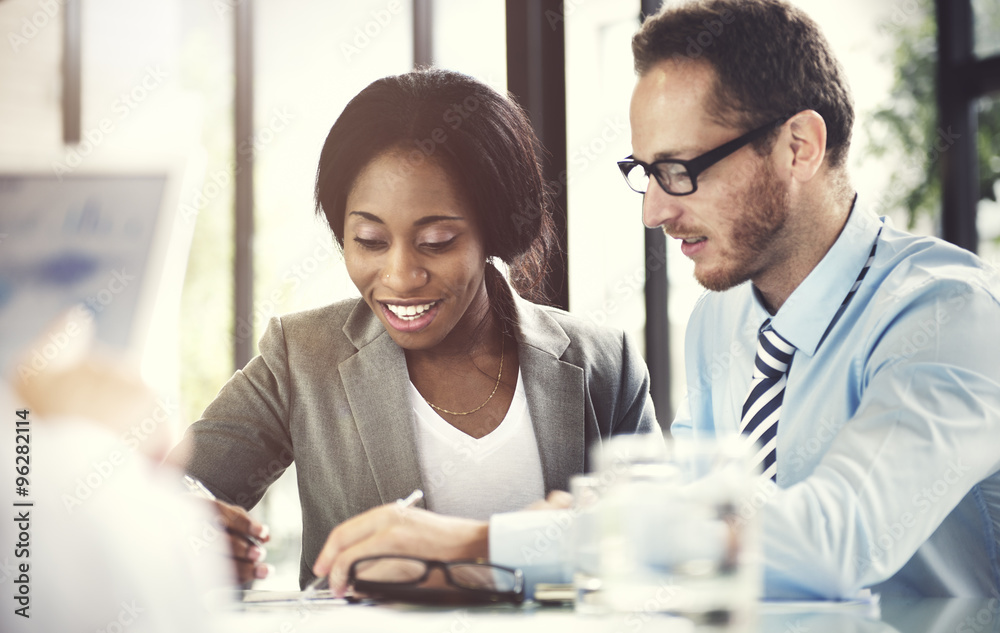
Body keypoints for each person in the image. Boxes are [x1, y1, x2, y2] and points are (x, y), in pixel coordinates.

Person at [312, 0, 1000, 601]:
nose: (655, 211)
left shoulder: (947, 314)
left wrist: (483, 540)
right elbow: (681, 524)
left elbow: (835, 538)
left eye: (680, 170)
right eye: (645, 173)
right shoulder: (720, 321)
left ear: (798, 146)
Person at [171, 68, 658, 588]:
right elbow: (171, 489)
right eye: (370, 241)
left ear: (494, 230)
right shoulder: (301, 357)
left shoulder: (603, 364)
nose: (401, 277)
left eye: (437, 241)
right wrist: (188, 528)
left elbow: (659, 541)